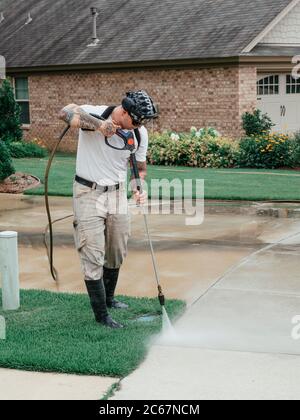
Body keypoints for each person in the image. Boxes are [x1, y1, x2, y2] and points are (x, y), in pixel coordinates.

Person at [58, 90, 159, 328]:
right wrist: (99, 126)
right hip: (88, 193)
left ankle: (110, 299)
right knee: (92, 252)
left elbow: (140, 167)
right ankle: (101, 315)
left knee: (116, 249)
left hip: (116, 194)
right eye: (135, 120)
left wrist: (138, 184)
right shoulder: (95, 113)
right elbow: (65, 112)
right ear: (124, 111)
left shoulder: (139, 133)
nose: (139, 125)